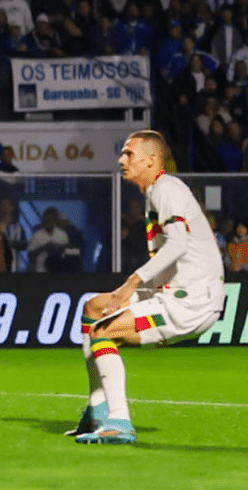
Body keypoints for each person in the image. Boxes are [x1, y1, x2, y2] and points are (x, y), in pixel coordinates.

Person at [69, 130, 226, 444]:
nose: (121, 159)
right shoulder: (158, 192)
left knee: (103, 331)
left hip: (189, 302)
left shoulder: (165, 188)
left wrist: (132, 283)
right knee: (94, 308)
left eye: (129, 154)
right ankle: (96, 409)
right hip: (174, 293)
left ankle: (119, 422)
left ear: (151, 160)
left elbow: (179, 243)